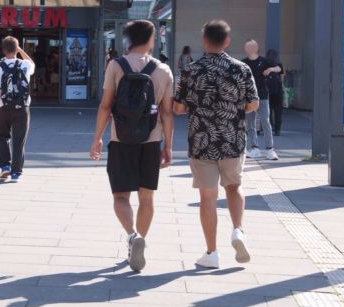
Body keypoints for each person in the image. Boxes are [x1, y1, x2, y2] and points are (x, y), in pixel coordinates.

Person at [90, 20, 174, 272]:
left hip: (121, 139)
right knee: (146, 197)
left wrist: (97, 138)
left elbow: (106, 105)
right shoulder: (163, 70)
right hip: (151, 141)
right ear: (151, 40)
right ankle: (141, 241)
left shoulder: (116, 66)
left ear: (128, 40)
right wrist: (168, 145)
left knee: (121, 196)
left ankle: (131, 235)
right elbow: (168, 113)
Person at [174, 20, 259, 269]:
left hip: (201, 140)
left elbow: (178, 107)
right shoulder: (241, 69)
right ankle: (237, 230)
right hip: (233, 138)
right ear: (227, 41)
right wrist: (234, 106)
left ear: (204, 41)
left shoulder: (191, 70)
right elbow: (253, 104)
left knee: (208, 197)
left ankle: (211, 253)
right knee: (234, 186)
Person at [0, 36, 35, 182]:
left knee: (2, 136)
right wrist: (21, 50)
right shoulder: (25, 65)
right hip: (22, 108)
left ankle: (5, 167)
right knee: (19, 140)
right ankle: (16, 173)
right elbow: (32, 63)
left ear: (3, 50)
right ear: (16, 49)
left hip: (4, 108)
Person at [241, 39, 279, 160]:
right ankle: (254, 148)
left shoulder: (264, 61)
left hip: (262, 96)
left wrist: (270, 69)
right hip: (249, 98)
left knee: (265, 121)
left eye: (253, 46)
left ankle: (270, 149)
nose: (251, 49)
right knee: (250, 124)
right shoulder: (243, 63)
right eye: (248, 47)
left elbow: (279, 68)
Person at [266, 49, 285, 136]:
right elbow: (282, 78)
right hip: (278, 92)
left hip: (268, 91)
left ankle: (269, 128)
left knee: (268, 111)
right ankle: (277, 130)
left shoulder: (265, 64)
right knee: (278, 112)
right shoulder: (279, 64)